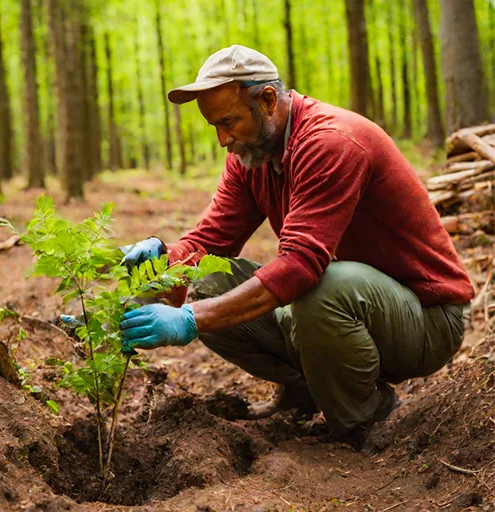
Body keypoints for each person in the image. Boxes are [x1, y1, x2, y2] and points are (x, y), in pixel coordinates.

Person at [119, 45, 473, 450]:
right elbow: (208, 243)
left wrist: (190, 320)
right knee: (209, 280)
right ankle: (307, 391)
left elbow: (302, 265)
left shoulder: (331, 141)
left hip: (426, 317)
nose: (222, 139)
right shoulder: (251, 157)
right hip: (349, 306)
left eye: (229, 121)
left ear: (268, 100)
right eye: (214, 125)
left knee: (319, 288)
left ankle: (366, 418)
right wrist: (162, 256)